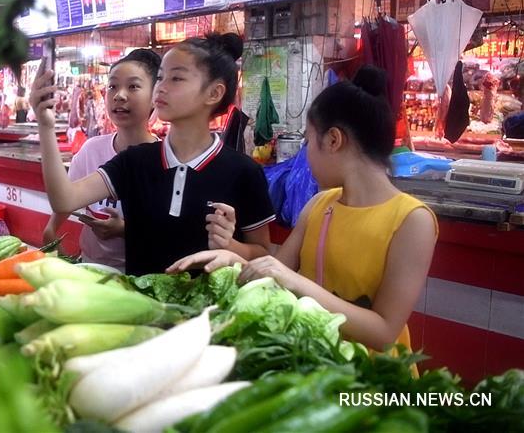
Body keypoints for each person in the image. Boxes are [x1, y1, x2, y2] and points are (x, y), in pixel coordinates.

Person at [173, 66, 438, 354]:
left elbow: (384, 332)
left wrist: (294, 281)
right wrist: (231, 255)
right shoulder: (320, 205)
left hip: (371, 381)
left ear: (333, 140)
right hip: (314, 363)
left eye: (308, 141)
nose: (306, 152)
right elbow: (275, 275)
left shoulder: (413, 220)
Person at [30, 33, 275, 275]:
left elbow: (263, 254)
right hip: (142, 308)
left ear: (214, 93)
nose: (161, 87)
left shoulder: (244, 172)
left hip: (210, 313)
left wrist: (230, 247)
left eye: (176, 78)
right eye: (160, 77)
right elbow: (64, 200)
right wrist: (45, 126)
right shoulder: (135, 160)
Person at [43, 49, 161, 271]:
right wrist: (50, 230)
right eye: (112, 86)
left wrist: (123, 230)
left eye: (133, 86)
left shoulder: (164, 159)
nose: (119, 95)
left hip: (141, 277)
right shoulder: (92, 149)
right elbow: (67, 198)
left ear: (156, 97)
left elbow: (169, 232)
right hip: (92, 268)